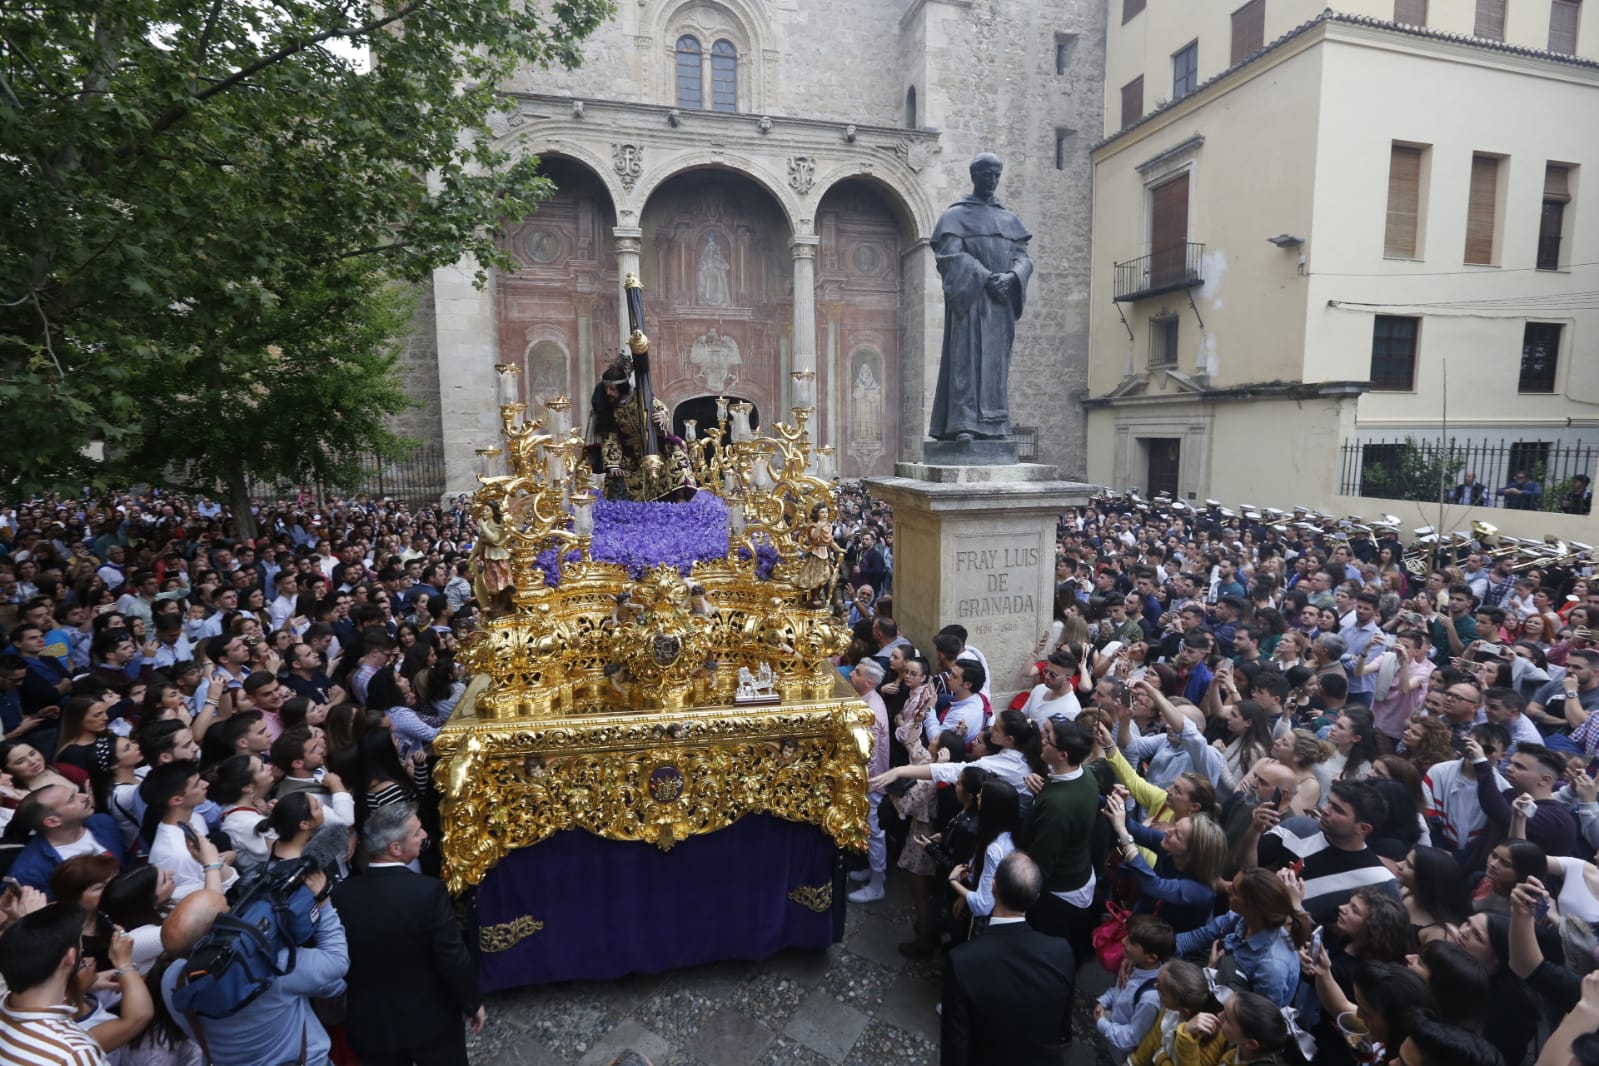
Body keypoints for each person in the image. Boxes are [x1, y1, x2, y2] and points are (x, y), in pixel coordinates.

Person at [331, 803, 484, 1066]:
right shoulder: (428, 892)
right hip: (431, 1022)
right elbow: (452, 957)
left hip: (371, 1024)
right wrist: (471, 1003)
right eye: (416, 832)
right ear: (395, 849)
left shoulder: (341, 895)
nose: (424, 834)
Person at [159, 884, 347, 1066]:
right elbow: (337, 961)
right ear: (219, 933)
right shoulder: (275, 968)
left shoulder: (173, 982)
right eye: (230, 909)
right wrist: (323, 901)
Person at [928, 153, 1033, 443]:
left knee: (997, 367)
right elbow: (950, 256)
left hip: (1001, 303)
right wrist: (986, 277)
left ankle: (996, 425)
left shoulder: (1010, 220)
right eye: (987, 174)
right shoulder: (955, 216)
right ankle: (964, 423)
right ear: (974, 176)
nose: (993, 180)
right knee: (966, 361)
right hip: (972, 299)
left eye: (997, 174)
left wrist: (1012, 277)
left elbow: (1023, 258)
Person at [939, 851, 1073, 1065]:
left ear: (993, 888)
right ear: (1036, 897)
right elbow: (1062, 1027)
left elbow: (955, 1045)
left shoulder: (962, 960)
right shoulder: (1061, 951)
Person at [0, 903, 152, 1065]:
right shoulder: (73, 1054)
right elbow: (138, 1017)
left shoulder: (8, 1002)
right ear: (70, 957)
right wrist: (123, 962)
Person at [588, 356, 695, 502]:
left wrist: (662, 418)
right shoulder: (609, 408)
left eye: (612, 389)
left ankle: (679, 498)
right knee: (619, 480)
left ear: (622, 387)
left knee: (676, 452)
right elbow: (610, 438)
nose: (608, 393)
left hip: (653, 447)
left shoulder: (642, 396)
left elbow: (660, 409)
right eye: (606, 388)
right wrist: (613, 465)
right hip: (629, 456)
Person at [1093, 914, 1174, 1060]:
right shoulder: (1133, 964)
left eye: (1131, 942)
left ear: (1151, 958)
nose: (1123, 941)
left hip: (1123, 1054)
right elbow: (1119, 990)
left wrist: (1102, 1023)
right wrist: (1104, 1001)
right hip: (1114, 1032)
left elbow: (1130, 1037)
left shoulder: (1149, 999)